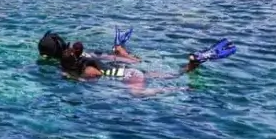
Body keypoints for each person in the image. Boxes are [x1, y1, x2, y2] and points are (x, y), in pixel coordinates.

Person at [60, 38, 236, 97]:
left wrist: (74, 78)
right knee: (172, 74)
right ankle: (193, 63)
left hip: (129, 77)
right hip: (131, 72)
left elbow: (93, 77)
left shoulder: (86, 70)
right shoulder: (86, 61)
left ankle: (180, 89)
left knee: (137, 95)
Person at [38, 27, 140, 64]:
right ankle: (119, 48)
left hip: (92, 57)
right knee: (118, 57)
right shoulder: (70, 56)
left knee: (116, 57)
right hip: (92, 56)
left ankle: (119, 48)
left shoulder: (62, 60)